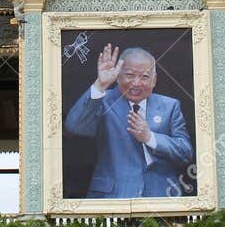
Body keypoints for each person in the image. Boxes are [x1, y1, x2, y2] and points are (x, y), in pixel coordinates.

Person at [63, 44, 192, 198]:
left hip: (161, 195)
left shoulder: (170, 106)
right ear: (118, 76)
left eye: (144, 77)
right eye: (130, 75)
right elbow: (75, 126)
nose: (136, 83)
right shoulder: (103, 100)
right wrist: (100, 85)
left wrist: (150, 138)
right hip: (113, 196)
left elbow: (185, 153)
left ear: (154, 80)